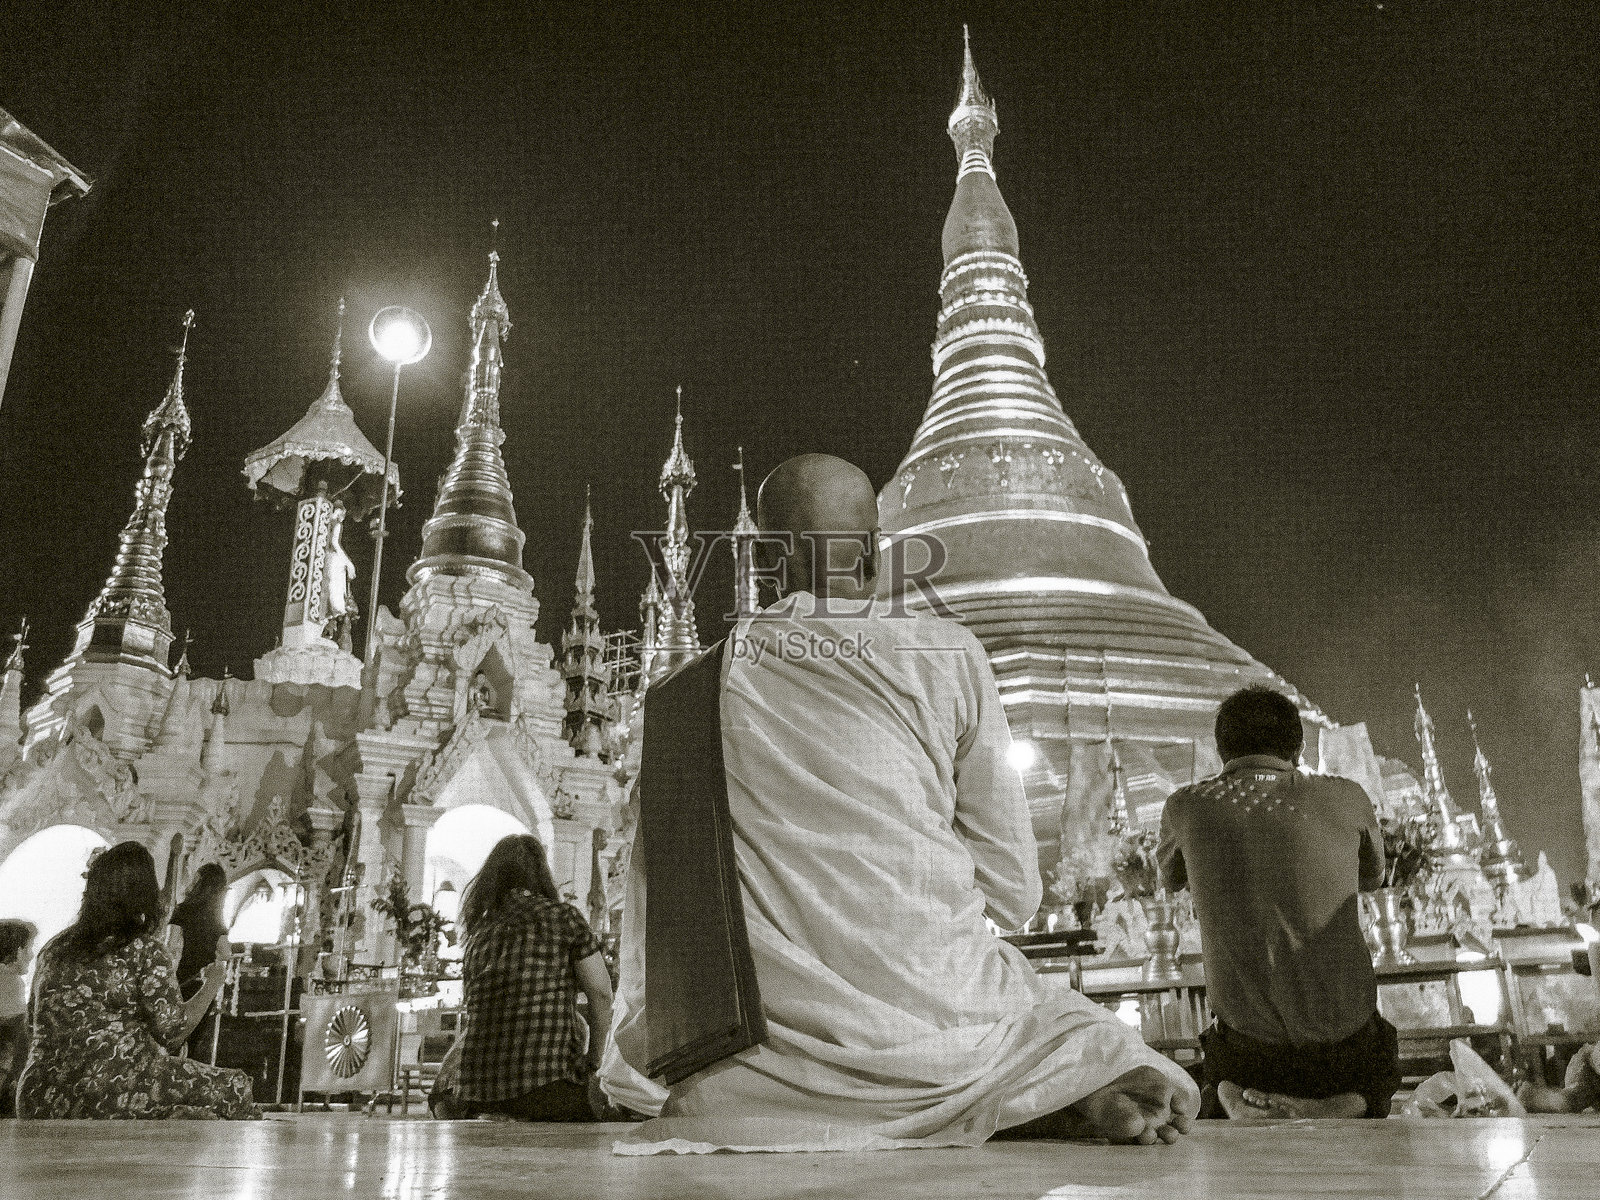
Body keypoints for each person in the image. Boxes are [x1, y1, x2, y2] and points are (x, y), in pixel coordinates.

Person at [601, 453, 1198, 1152]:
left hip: (746, 1075)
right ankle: (1025, 1090)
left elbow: (654, 923)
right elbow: (1013, 894)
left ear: (766, 559)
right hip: (941, 1032)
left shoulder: (682, 699)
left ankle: (1001, 1096)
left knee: (660, 1080)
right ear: (876, 552)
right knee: (1075, 1030)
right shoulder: (948, 653)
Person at [1157, 685, 1399, 1120]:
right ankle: (1349, 1102)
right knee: (1381, 1062)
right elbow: (1373, 878)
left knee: (1214, 1053)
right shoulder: (1348, 795)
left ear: (1219, 750)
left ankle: (1229, 1090)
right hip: (1347, 1049)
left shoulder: (1186, 806)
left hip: (1250, 1054)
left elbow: (1168, 879)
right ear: (1300, 746)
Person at [16, 841, 257, 1120]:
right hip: (112, 1089)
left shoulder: (54, 948)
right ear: (144, 893)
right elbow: (174, 1031)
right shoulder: (143, 949)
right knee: (236, 1087)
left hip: (39, 1094)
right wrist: (214, 980)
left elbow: (32, 1023)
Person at [442, 834, 614, 1121]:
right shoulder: (564, 918)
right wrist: (595, 1063)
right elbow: (601, 992)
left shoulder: (479, 934)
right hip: (546, 1088)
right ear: (542, 875)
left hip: (476, 1094)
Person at [0, 919, 35, 1116]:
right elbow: (16, 1031)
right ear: (17, 950)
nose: (31, 955)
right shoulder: (10, 981)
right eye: (28, 948)